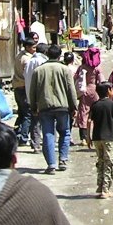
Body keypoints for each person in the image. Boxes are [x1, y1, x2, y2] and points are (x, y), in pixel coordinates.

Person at [29, 44, 78, 176]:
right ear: (59, 55)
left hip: (45, 107)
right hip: (63, 107)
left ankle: (51, 165)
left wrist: (33, 107)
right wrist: (74, 106)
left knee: (48, 134)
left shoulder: (38, 71)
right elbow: (71, 90)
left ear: (47, 54)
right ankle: (62, 159)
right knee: (65, 132)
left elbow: (32, 91)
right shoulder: (65, 69)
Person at [87, 83, 113, 200]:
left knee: (101, 162)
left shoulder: (95, 105)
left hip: (97, 138)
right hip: (109, 138)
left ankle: (100, 187)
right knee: (109, 163)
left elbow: (89, 121)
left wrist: (88, 137)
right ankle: (105, 190)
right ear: (109, 91)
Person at [11, 37, 38, 145]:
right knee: (27, 114)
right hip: (24, 87)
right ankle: (23, 137)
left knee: (21, 113)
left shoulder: (19, 55)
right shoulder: (27, 59)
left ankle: (16, 133)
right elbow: (28, 75)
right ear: (27, 47)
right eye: (33, 47)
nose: (35, 49)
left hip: (17, 87)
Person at [74, 46, 102, 145]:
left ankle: (83, 138)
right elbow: (101, 81)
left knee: (83, 113)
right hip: (95, 91)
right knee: (97, 113)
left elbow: (75, 78)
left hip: (84, 91)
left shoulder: (82, 67)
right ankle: (96, 135)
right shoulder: (97, 68)